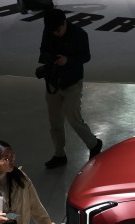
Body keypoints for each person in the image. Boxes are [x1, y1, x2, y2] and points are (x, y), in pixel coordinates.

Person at [39, 8, 102, 169]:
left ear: (64, 22)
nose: (55, 33)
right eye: (52, 31)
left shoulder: (79, 34)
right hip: (53, 82)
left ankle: (94, 144)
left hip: (72, 82)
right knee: (55, 121)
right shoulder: (49, 31)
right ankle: (59, 154)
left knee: (74, 118)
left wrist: (68, 60)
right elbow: (42, 51)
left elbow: (85, 57)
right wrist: (50, 59)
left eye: (58, 30)